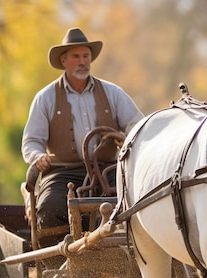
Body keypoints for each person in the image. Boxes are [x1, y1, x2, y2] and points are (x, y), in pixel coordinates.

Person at [22, 28, 144, 244]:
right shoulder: (46, 97)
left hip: (108, 169)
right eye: (76, 57)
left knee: (138, 199)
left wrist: (126, 138)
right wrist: (37, 156)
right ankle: (59, 268)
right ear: (64, 61)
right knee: (50, 208)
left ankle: (131, 258)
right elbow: (31, 141)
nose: (82, 62)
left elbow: (138, 126)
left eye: (86, 56)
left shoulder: (112, 93)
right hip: (61, 172)